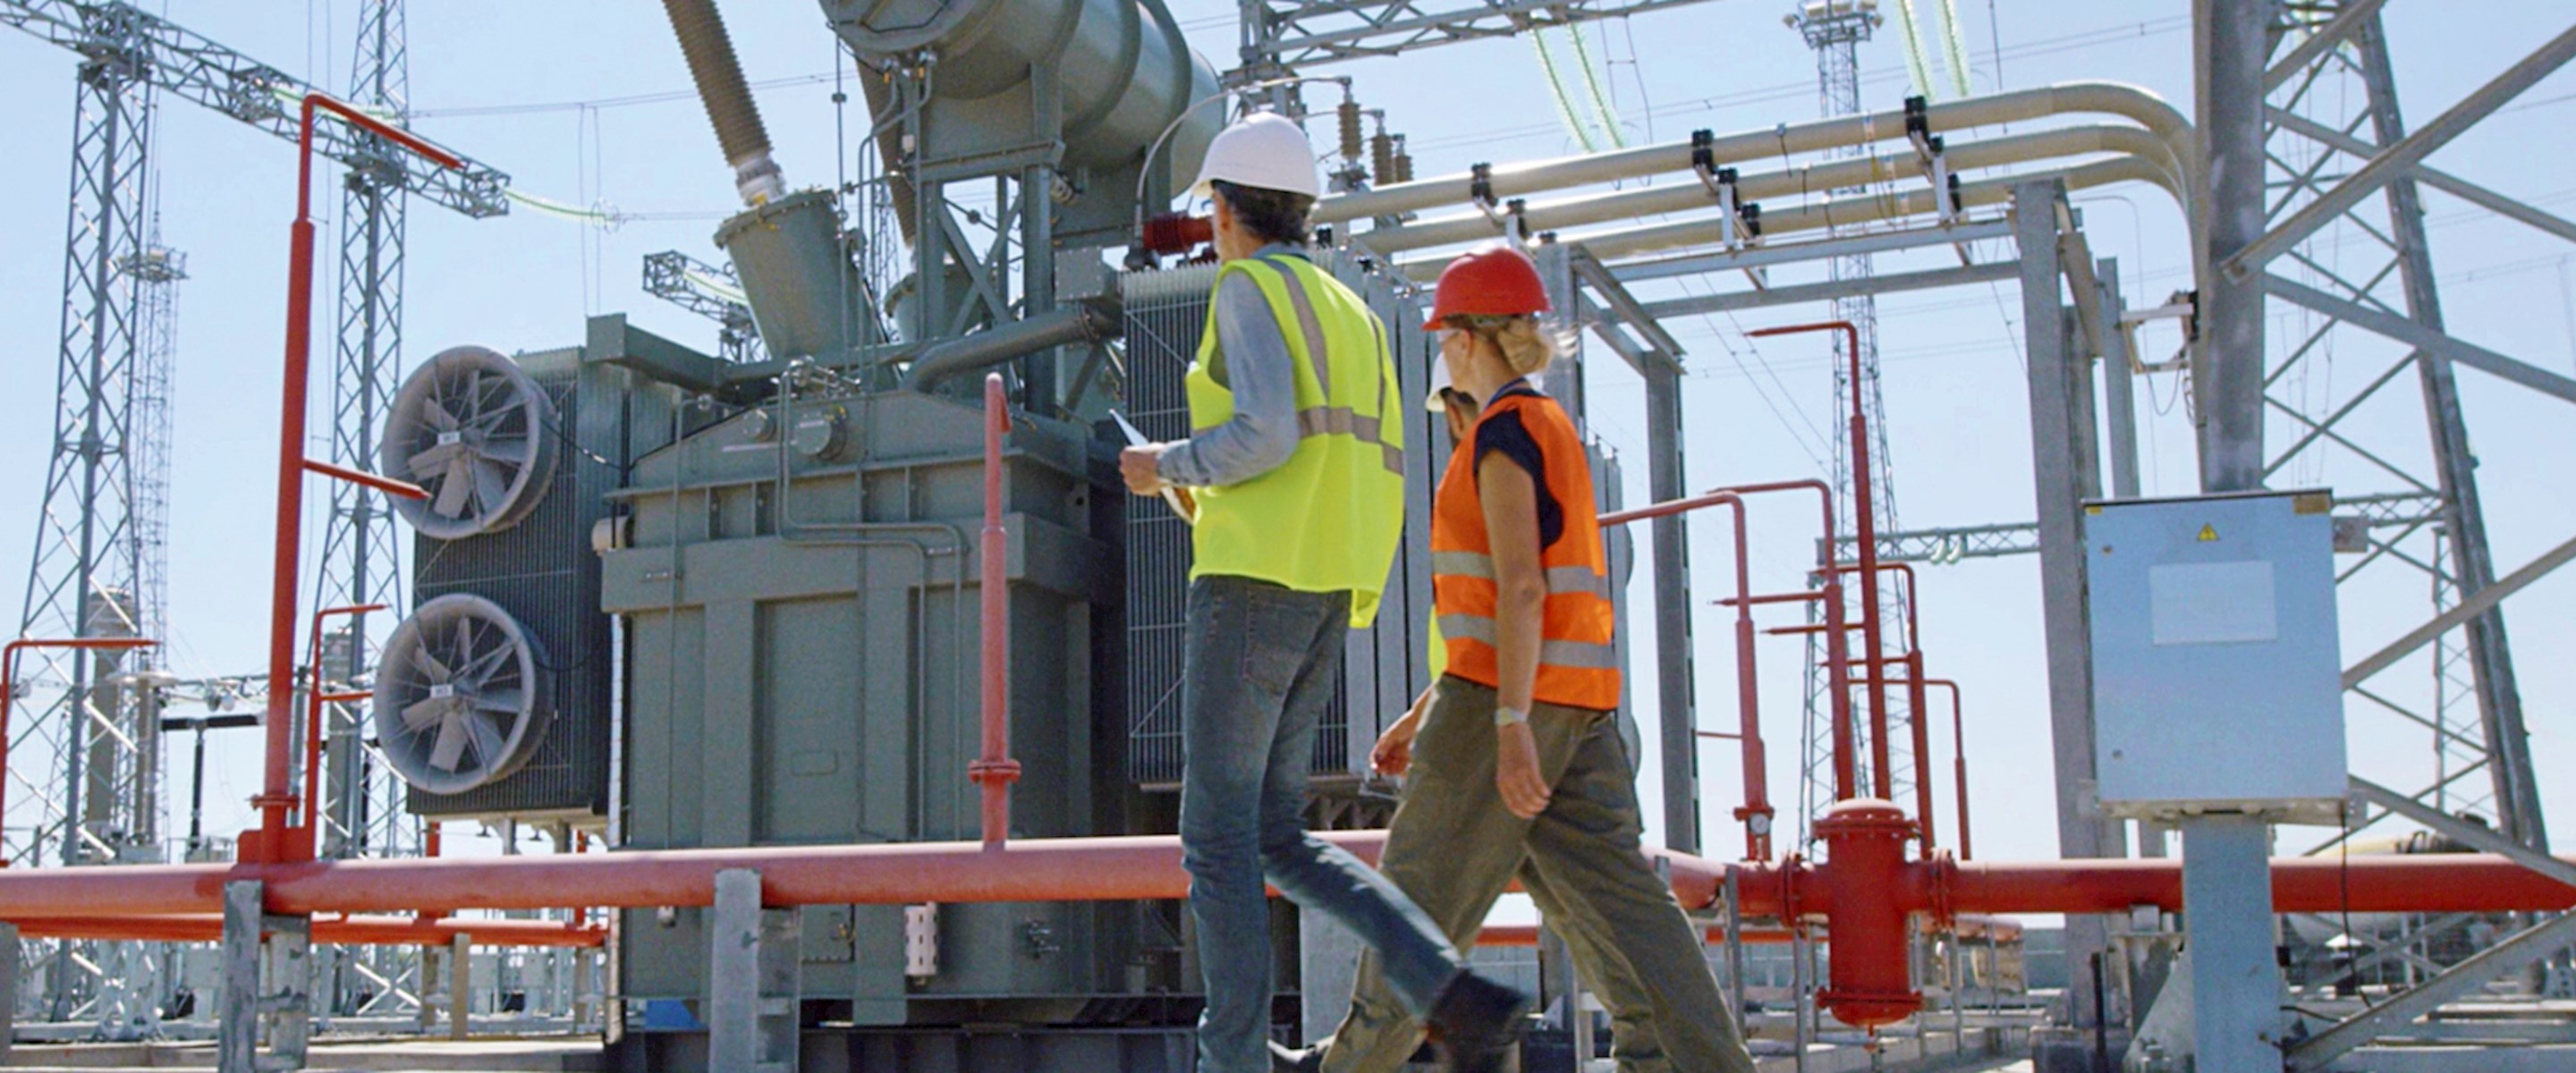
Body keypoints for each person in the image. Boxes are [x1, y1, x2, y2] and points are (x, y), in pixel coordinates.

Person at [1275, 245, 1759, 1073]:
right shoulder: (1550, 426)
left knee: (1418, 899)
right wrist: (1424, 710)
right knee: (1624, 909)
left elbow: (1522, 587)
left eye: (1444, 337)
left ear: (1466, 339)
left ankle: (1344, 1067)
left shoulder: (1501, 436)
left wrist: (1506, 724)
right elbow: (1520, 603)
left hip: (1504, 705)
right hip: (1578, 705)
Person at [1118, 112, 1531, 1073]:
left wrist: (1164, 463)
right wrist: (1212, 484)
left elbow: (1266, 436)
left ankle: (1233, 1061)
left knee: (1216, 841)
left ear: (1225, 210)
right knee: (1277, 838)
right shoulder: (1349, 308)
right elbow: (1332, 454)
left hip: (1253, 584)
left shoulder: (1249, 287)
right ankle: (1450, 991)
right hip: (1327, 588)